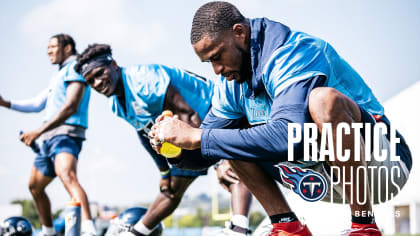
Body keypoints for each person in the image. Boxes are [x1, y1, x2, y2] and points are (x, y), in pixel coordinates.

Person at [149, 2, 412, 236]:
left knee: (323, 100)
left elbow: (290, 138)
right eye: (209, 63)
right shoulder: (230, 83)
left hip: (379, 167)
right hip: (316, 176)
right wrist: (174, 146)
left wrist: (197, 134)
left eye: (218, 56)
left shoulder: (293, 52)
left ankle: (363, 226)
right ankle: (288, 227)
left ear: (239, 33)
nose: (217, 70)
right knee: (225, 136)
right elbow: (204, 152)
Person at [74, 44, 253, 236]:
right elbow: (148, 136)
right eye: (91, 81)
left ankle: (239, 228)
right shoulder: (117, 105)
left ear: (114, 65)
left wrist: (219, 159)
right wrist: (164, 172)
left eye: (100, 73)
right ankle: (137, 233)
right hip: (187, 126)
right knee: (172, 188)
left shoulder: (143, 80)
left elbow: (188, 113)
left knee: (232, 169)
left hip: (214, 110)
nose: (97, 83)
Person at [0, 34, 96, 236]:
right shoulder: (58, 75)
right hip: (48, 137)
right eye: (47, 47)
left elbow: (70, 107)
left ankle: (89, 229)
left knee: (67, 176)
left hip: (66, 133)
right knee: (35, 186)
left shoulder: (75, 67)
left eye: (53, 46)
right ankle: (48, 231)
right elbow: (37, 104)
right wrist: (6, 103)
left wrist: (37, 131)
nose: (49, 51)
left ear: (67, 47)